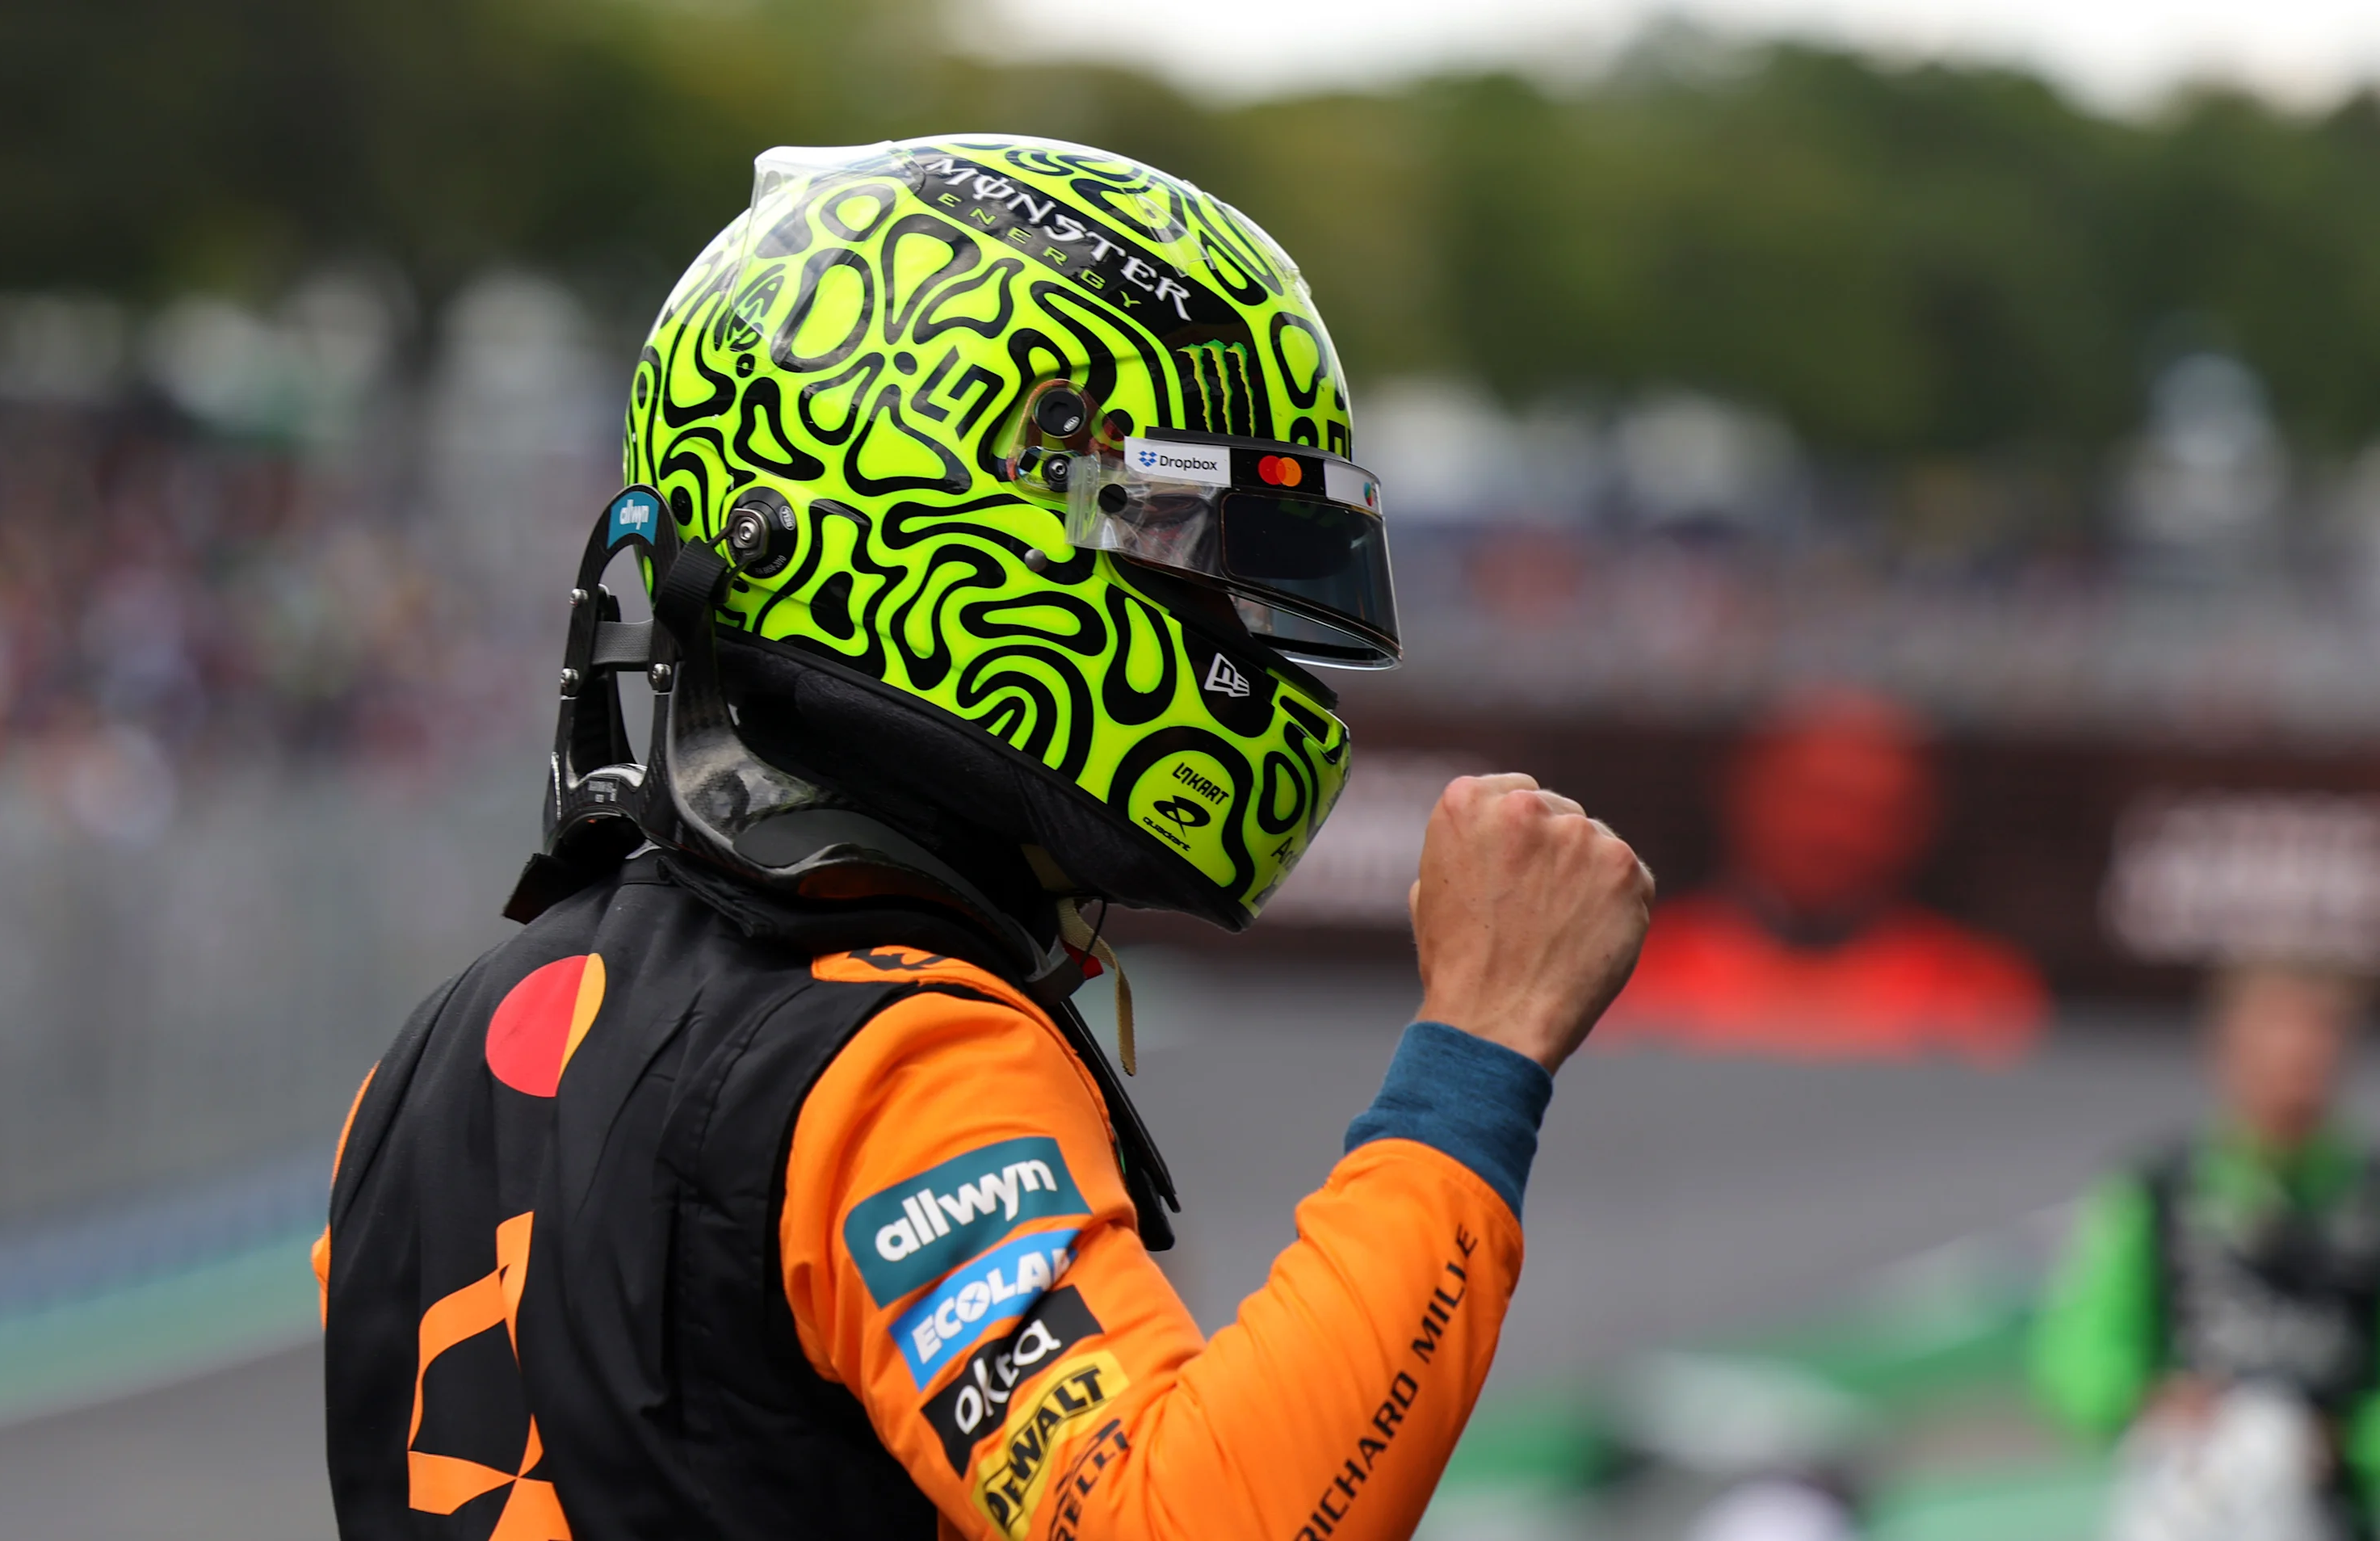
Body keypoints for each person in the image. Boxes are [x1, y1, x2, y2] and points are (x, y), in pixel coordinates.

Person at [312, 136, 1653, 1539]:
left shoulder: (431, 1050)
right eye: (1185, 540)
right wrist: (1478, 1050)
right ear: (945, 521)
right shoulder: (896, 1054)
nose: (1235, 624)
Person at [2033, 964, 2380, 1539]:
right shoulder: (2161, 1190)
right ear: (2227, 1050)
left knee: (2269, 1443)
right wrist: (2144, 1400)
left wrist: (2340, 1438)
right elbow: (2078, 1359)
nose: (2295, 1066)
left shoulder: (2367, 1199)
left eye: (2317, 1044)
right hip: (2191, 1482)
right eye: (2275, 1043)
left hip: (2332, 1503)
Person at [1599, 687, 2046, 1061]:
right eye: (1816, 797)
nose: (1837, 833)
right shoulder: (1627, 965)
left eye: (1874, 810)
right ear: (1743, 790)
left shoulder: (1973, 985)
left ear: (1923, 822)